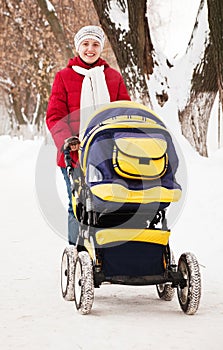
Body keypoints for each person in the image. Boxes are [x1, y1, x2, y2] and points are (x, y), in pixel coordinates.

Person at [46, 25, 131, 245]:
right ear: (78, 47)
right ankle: (77, 252)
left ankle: (106, 251)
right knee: (77, 204)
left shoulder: (113, 77)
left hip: (109, 155)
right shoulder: (63, 77)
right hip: (74, 156)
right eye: (85, 44)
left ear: (101, 48)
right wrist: (67, 140)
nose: (90, 49)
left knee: (109, 201)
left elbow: (125, 112)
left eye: (95, 44)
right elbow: (54, 116)